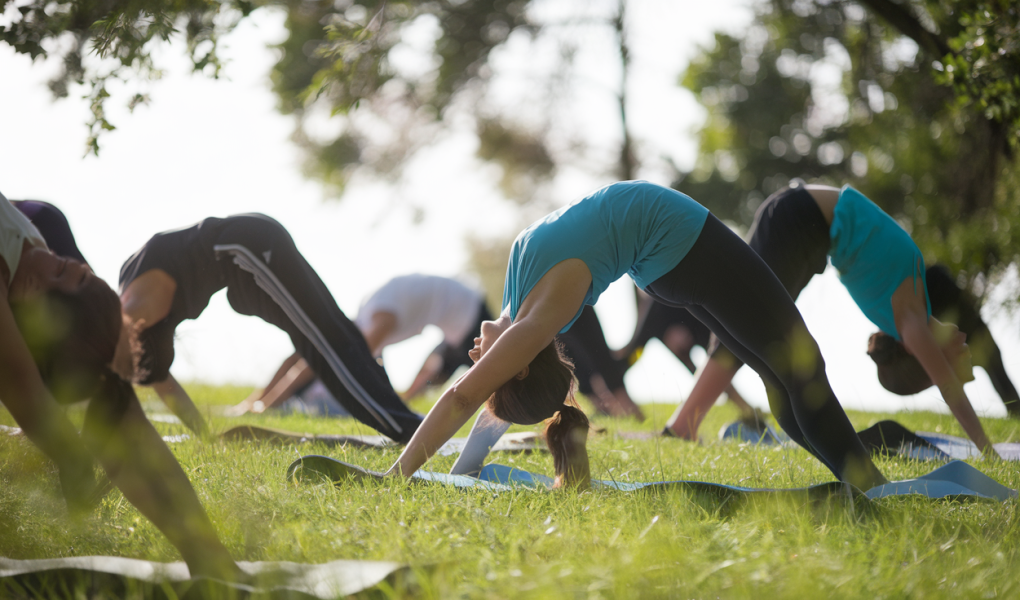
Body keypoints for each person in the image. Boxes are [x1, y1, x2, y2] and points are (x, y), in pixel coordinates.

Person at [380, 180, 889, 491]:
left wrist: (464, 470)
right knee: (802, 364)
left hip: (668, 258)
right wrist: (398, 476)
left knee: (779, 373)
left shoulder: (522, 308)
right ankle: (870, 484)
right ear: (522, 362)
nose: (477, 362)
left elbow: (480, 397)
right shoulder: (536, 323)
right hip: (684, 245)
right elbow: (462, 396)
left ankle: (856, 479)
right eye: (495, 375)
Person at [0, 193, 239, 580]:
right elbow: (28, 398)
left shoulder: (31, 268)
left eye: (63, 272)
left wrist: (208, 554)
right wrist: (74, 461)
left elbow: (115, 407)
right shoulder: (41, 248)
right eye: (67, 267)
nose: (70, 264)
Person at [663, 180, 992, 457]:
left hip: (800, 225)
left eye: (962, 365)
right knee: (744, 322)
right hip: (799, 219)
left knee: (746, 323)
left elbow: (950, 391)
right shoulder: (915, 307)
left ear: (924, 355)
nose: (969, 356)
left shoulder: (910, 323)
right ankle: (683, 426)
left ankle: (682, 427)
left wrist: (987, 450)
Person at [111, 213, 423, 443]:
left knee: (324, 339)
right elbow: (161, 381)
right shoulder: (140, 323)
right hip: (242, 266)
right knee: (329, 332)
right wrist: (206, 438)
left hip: (245, 247)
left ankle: (408, 428)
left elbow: (124, 367)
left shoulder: (132, 314)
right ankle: (409, 423)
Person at [234, 274, 494, 414]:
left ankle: (410, 413)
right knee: (435, 370)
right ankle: (407, 409)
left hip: (470, 316)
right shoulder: (369, 313)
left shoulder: (379, 318)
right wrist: (258, 401)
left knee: (475, 374)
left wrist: (269, 405)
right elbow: (305, 357)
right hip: (460, 313)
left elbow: (325, 361)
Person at [871, 264, 1019, 416]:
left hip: (941, 300)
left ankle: (1015, 411)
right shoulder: (902, 320)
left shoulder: (904, 314)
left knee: (991, 364)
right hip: (941, 304)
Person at [615, 294, 755, 416]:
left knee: (719, 363)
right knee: (697, 371)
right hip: (675, 331)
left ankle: (747, 410)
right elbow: (634, 352)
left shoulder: (661, 303)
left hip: (699, 322)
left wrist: (680, 326)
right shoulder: (652, 318)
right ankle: (614, 400)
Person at [556, 305, 645, 420]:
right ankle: (605, 409)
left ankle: (633, 413)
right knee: (568, 356)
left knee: (598, 356)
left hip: (571, 298)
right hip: (546, 301)